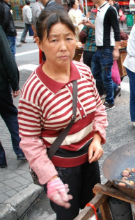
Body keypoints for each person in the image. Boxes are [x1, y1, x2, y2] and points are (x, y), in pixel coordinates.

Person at [18, 10, 107, 219]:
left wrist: (97, 138)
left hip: (90, 160)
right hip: (61, 172)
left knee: (94, 210)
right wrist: (50, 178)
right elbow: (30, 140)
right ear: (39, 42)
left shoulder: (83, 71)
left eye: (68, 38)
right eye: (54, 40)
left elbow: (98, 109)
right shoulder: (33, 89)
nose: (63, 47)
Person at [0, 25, 26, 168]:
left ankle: (0, 159)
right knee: (10, 114)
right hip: (1, 86)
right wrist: (15, 83)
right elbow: (7, 56)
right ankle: (20, 149)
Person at [91, 0, 121, 110]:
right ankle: (114, 88)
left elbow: (117, 31)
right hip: (99, 48)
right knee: (96, 73)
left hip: (107, 48)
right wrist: (90, 24)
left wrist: (116, 49)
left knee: (106, 77)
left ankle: (110, 101)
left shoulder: (110, 9)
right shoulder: (99, 9)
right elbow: (101, 28)